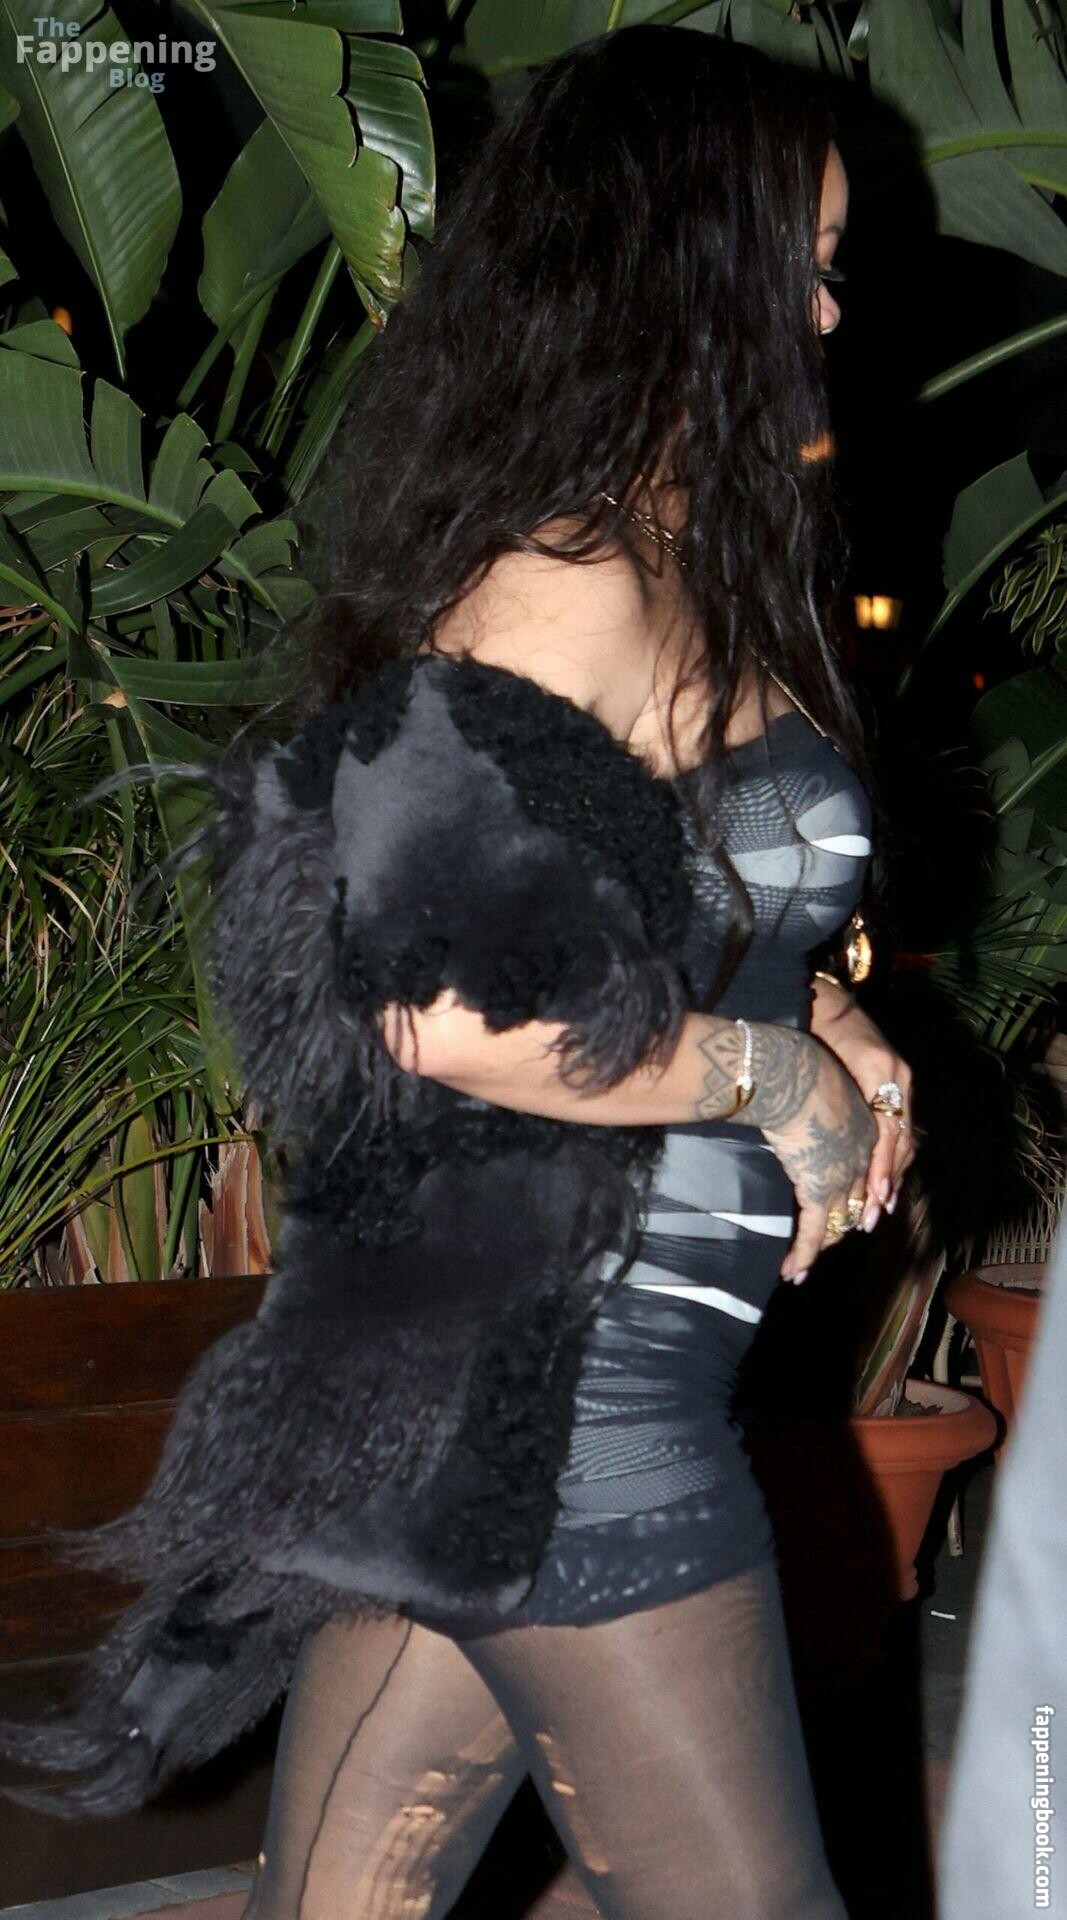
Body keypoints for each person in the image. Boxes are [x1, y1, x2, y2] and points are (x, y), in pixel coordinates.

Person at [0, 26, 916, 1920]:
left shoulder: (681, 554)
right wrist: (785, 1085)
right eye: (804, 265)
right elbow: (454, 1009)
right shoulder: (553, 587)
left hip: (521, 1397)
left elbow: (659, 892)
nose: (829, 314)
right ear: (673, 264)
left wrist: (826, 1008)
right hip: (576, 1399)